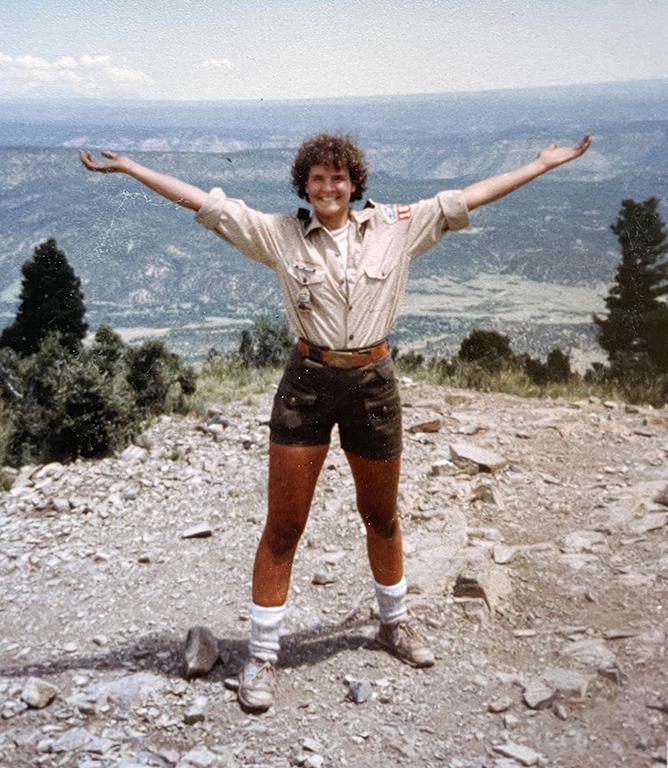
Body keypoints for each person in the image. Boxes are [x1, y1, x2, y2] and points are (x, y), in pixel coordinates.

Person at [80, 131, 591, 712]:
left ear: (355, 184)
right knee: (284, 526)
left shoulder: (400, 225)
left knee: (381, 514)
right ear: (304, 186)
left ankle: (394, 624)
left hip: (373, 382)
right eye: (318, 179)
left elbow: (468, 198)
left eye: (338, 178)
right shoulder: (280, 234)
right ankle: (263, 654)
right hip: (308, 384)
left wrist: (541, 164)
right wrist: (131, 168)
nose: (329, 188)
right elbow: (206, 204)